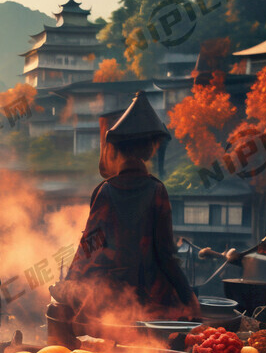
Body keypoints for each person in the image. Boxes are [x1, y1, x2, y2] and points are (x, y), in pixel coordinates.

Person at [55, 91, 199, 322]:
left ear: (119, 148)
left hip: (108, 302)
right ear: (149, 148)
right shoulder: (156, 191)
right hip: (149, 302)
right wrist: (189, 297)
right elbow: (166, 255)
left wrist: (70, 284)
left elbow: (89, 247)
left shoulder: (105, 191)